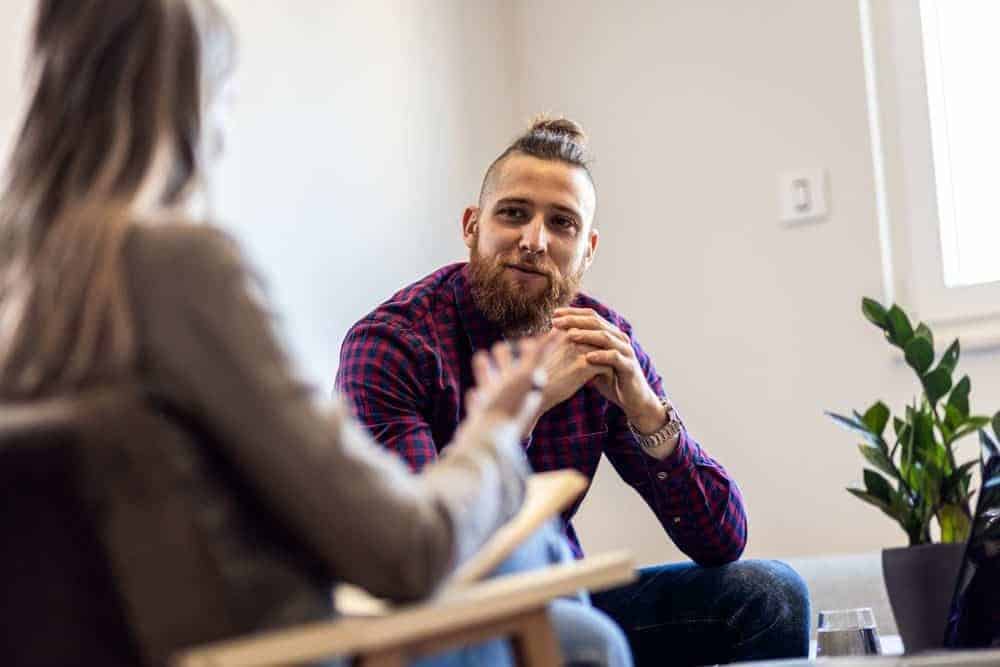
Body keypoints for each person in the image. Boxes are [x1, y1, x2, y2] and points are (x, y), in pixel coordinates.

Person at [0, 3, 631, 665]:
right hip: (286, 646)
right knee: (586, 632)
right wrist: (500, 426)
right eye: (222, 100)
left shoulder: (27, 278)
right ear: (188, 106)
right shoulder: (174, 267)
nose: (218, 135)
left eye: (561, 224)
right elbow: (405, 550)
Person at [337, 116, 811, 666]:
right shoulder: (392, 343)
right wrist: (529, 407)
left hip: (564, 599)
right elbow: (423, 557)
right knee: (576, 634)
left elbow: (720, 541)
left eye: (561, 224)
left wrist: (648, 414)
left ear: (587, 249)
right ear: (472, 225)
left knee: (768, 595)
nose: (534, 241)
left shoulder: (601, 340)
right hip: (442, 620)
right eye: (514, 214)